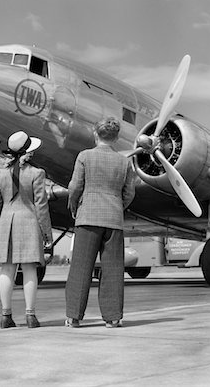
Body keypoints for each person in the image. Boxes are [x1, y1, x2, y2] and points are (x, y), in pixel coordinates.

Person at [65, 117, 136, 328]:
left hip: (88, 217)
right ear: (115, 138)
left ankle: (74, 317)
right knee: (113, 270)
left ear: (96, 135)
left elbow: (75, 186)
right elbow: (129, 193)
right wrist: (117, 205)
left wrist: (75, 205)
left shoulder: (84, 156)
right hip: (113, 219)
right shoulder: (125, 162)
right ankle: (113, 317)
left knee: (80, 268)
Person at [0, 131, 53, 329]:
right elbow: (41, 207)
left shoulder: (0, 173)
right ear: (29, 152)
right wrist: (47, 235)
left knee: (7, 270)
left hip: (7, 223)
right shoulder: (37, 173)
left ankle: (6, 317)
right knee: (29, 270)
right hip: (29, 222)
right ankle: (31, 316)